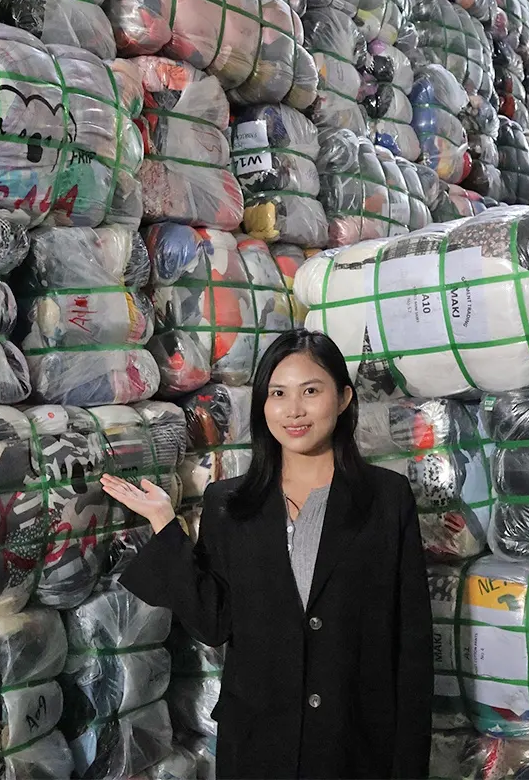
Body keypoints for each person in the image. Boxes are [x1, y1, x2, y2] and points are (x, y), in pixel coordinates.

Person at [100, 329, 433, 779]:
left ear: (343, 399)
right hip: (259, 748)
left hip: (353, 746)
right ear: (262, 405)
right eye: (278, 393)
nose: (293, 410)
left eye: (310, 391)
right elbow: (213, 623)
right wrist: (165, 525)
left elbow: (410, 644)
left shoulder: (385, 499)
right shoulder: (230, 503)